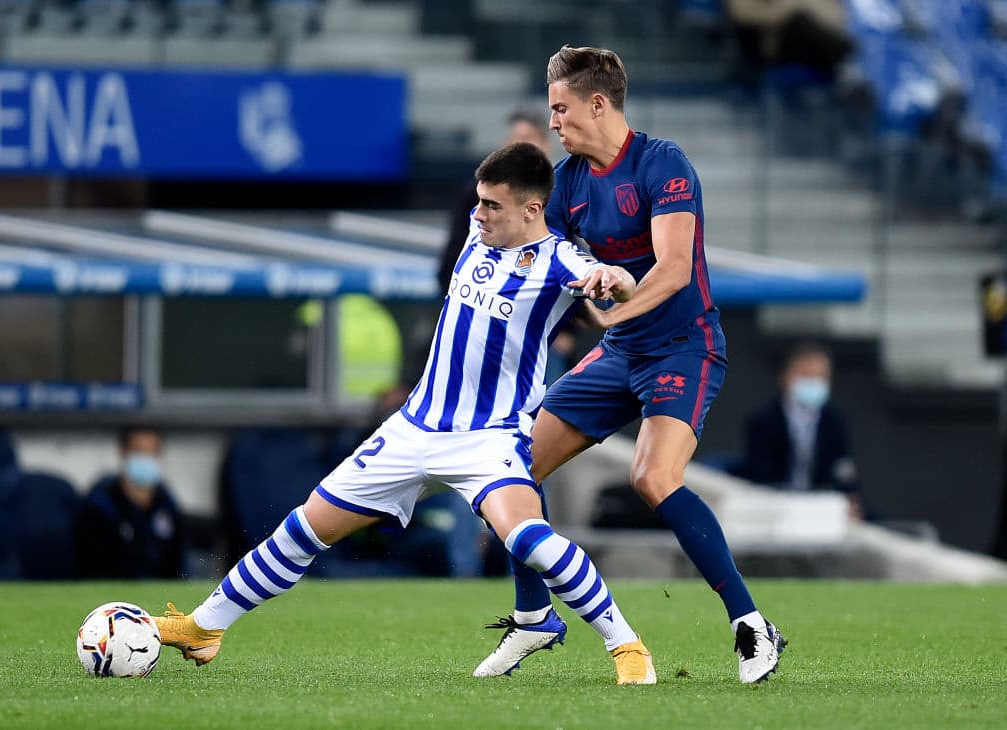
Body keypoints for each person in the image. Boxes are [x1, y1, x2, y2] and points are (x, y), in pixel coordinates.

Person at [154, 142, 658, 685]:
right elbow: (485, 207)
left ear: (533, 210)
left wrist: (617, 280)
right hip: (413, 428)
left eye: (492, 205)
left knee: (526, 538)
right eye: (479, 201)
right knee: (303, 528)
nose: (478, 213)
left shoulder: (562, 260)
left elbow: (616, 285)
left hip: (489, 438)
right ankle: (205, 627)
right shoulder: (475, 230)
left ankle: (626, 645)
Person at [473, 46, 786, 686]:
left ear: (597, 103)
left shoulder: (661, 163)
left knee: (653, 477)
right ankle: (534, 618)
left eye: (560, 108)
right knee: (507, 467)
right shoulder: (569, 184)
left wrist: (615, 309)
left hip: (683, 347)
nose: (553, 121)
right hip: (621, 354)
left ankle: (751, 624)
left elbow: (672, 268)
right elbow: (541, 254)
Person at [438, 109, 580, 384]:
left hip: (540, 333)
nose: (483, 213)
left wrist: (569, 332)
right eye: (514, 140)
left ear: (545, 145)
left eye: (528, 139)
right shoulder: (477, 195)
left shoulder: (561, 197)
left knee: (538, 415)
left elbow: (572, 270)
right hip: (485, 324)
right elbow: (451, 259)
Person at [740, 342, 864, 518]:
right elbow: (760, 475)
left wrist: (849, 499)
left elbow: (843, 469)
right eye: (806, 376)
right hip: (777, 507)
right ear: (785, 377)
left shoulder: (834, 422)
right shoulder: (763, 420)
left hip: (821, 507)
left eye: (820, 377)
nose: (813, 383)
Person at [74, 426, 186, 579]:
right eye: (138, 451)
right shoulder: (102, 503)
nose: (145, 458)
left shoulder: (165, 502)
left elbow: (177, 563)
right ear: (124, 453)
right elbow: (92, 566)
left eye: (151, 452)